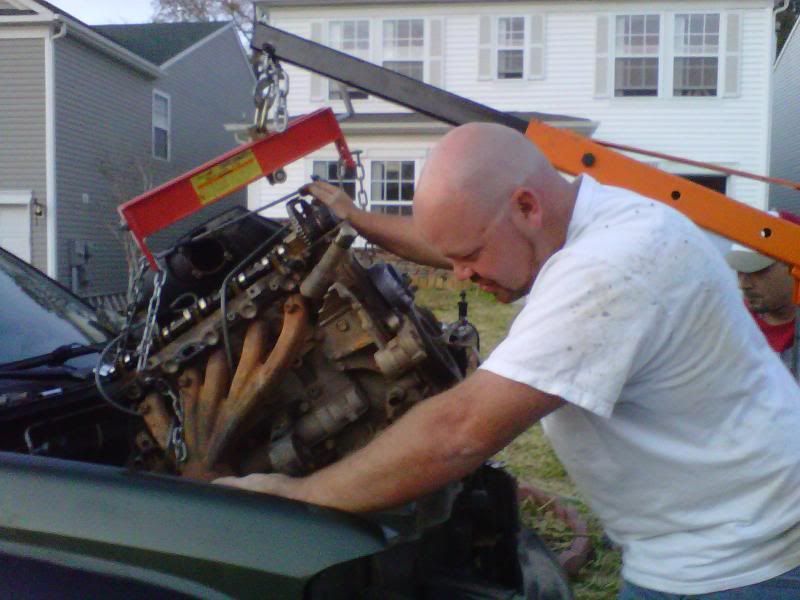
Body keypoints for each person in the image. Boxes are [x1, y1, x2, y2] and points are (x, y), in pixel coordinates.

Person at [205, 123, 800, 598]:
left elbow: (459, 433)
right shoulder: (585, 220)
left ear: (525, 206)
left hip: (743, 566)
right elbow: (457, 245)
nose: (458, 273)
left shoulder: (614, 266)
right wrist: (355, 218)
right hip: (698, 544)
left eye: (469, 257)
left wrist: (295, 497)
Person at [725, 214, 800, 380]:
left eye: (755, 271)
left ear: (793, 265)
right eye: (739, 272)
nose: (743, 284)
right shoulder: (731, 326)